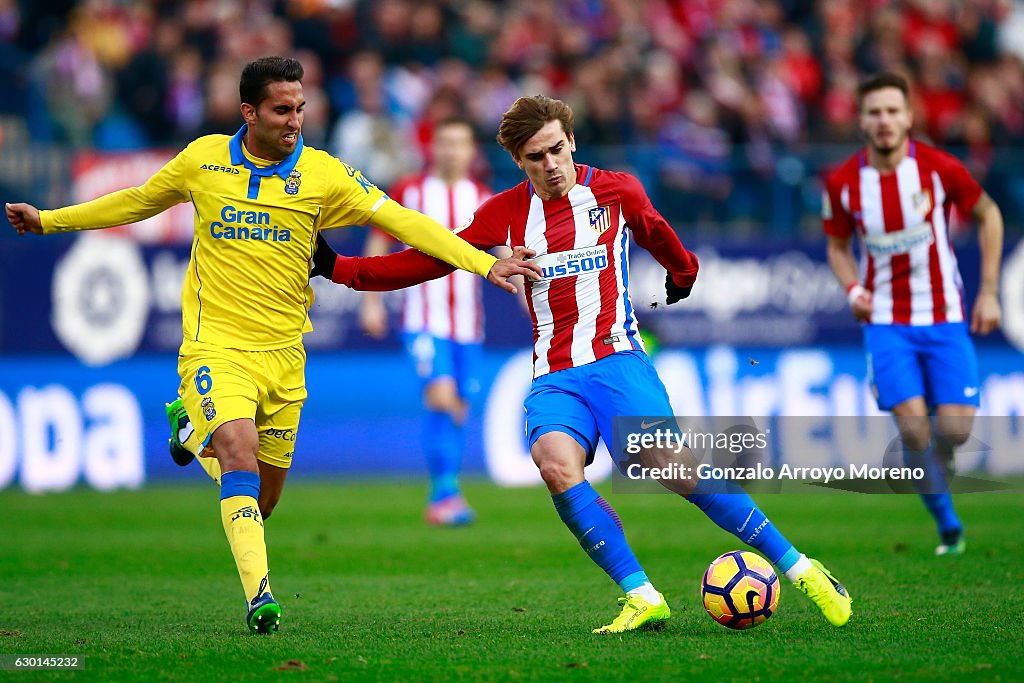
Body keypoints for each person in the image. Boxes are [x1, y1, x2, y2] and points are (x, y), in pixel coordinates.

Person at [5, 56, 538, 634]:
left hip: (285, 355)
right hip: (216, 345)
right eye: (282, 110)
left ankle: (190, 428)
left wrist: (485, 264)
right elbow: (136, 201)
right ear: (249, 112)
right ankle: (261, 597)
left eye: (301, 108)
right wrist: (50, 220)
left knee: (260, 500)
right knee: (237, 453)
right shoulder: (202, 160)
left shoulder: (324, 173)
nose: (295, 120)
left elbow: (410, 224)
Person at [313, 95, 852, 633]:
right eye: (535, 158)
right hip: (555, 374)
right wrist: (343, 268)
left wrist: (682, 274)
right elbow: (430, 259)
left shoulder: (616, 190)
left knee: (672, 469)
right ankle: (641, 595)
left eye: (555, 151)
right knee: (554, 464)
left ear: (572, 142)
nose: (550, 166)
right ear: (520, 163)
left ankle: (802, 569)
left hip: (617, 359)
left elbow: (657, 231)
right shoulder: (504, 212)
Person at [823, 72, 1004, 557]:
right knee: (914, 429)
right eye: (874, 112)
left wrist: (989, 291)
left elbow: (989, 214)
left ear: (909, 116)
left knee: (956, 431)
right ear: (861, 120)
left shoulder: (940, 169)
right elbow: (837, 247)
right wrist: (853, 287)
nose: (884, 121)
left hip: (945, 316)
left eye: (892, 111)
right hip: (885, 322)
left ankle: (932, 467)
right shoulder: (843, 184)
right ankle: (948, 524)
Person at [359, 116, 493, 526]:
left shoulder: (484, 197)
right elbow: (380, 239)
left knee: (458, 409)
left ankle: (446, 489)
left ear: (472, 151)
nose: (452, 150)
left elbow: (505, 251)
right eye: (445, 142)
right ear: (432, 148)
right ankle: (444, 496)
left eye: (461, 143)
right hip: (423, 319)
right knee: (441, 396)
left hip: (468, 324)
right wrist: (372, 302)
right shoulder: (410, 190)